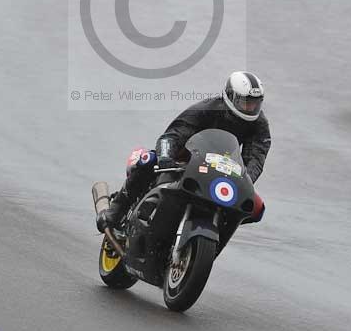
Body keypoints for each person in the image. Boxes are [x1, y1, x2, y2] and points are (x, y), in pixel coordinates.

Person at [97, 71, 271, 231]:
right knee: (147, 159)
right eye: (245, 102)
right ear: (230, 97)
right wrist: (165, 157)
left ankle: (216, 235)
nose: (250, 107)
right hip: (186, 163)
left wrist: (245, 181)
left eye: (255, 103)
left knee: (256, 207)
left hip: (223, 172)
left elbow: (256, 158)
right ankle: (116, 211)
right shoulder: (207, 108)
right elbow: (173, 135)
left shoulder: (259, 124)